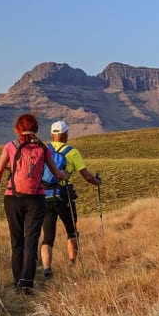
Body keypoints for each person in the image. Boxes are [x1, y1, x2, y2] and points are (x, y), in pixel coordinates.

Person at [0, 114, 68, 294]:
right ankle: (26, 283)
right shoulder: (43, 148)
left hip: (13, 197)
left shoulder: (11, 146)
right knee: (31, 240)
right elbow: (56, 173)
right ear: (36, 128)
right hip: (36, 198)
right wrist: (64, 175)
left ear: (17, 129)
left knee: (16, 240)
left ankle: (17, 280)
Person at [40, 119, 102, 278]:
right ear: (65, 134)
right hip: (64, 197)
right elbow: (86, 175)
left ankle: (47, 269)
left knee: (47, 236)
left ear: (52, 135)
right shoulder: (72, 152)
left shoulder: (43, 150)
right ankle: (72, 263)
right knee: (71, 231)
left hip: (44, 197)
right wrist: (97, 183)